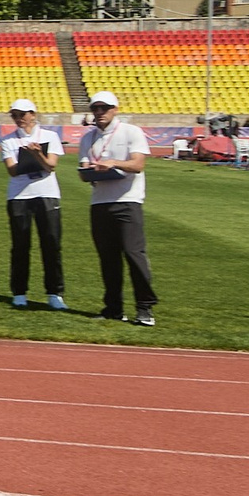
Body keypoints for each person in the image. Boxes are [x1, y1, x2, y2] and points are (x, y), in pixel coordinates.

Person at [77, 90, 157, 325]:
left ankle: (145, 308)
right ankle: (113, 307)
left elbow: (138, 164)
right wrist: (91, 171)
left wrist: (113, 163)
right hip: (100, 202)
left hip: (128, 201)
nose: (99, 112)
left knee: (134, 254)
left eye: (104, 108)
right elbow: (84, 172)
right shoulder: (87, 138)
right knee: (107, 258)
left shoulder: (131, 132)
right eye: (95, 108)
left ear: (115, 109)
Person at [1, 98, 67, 310]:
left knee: (51, 244)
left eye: (22, 114)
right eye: (15, 115)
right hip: (19, 196)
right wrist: (28, 157)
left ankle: (55, 293)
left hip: (46, 194)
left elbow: (51, 166)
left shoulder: (50, 136)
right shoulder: (8, 140)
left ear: (33, 115)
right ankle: (19, 292)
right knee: (20, 246)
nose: (18, 119)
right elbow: (11, 170)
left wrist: (37, 153)